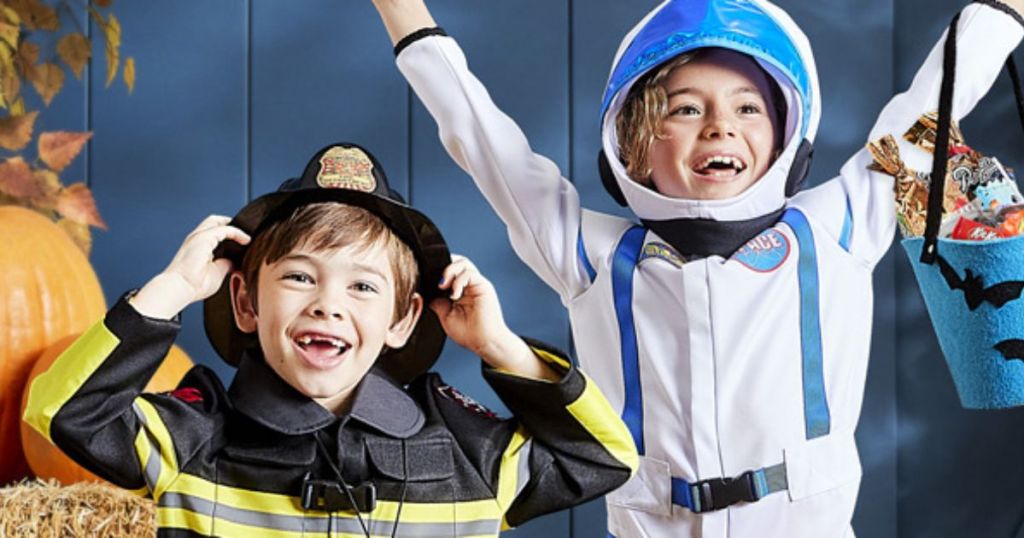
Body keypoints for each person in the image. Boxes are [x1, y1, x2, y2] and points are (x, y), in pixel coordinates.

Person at [370, 0, 1024, 535]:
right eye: (685, 108)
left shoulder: (836, 229)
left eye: (748, 107)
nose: (720, 127)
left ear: (786, 136)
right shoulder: (585, 251)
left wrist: (1002, 11)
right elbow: (480, 137)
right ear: (630, 139)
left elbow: (931, 105)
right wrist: (401, 11)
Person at [22, 143, 638, 537]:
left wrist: (499, 345)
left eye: (363, 288)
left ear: (404, 321)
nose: (327, 304)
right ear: (245, 302)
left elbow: (606, 458)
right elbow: (60, 411)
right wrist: (174, 287)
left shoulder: (467, 453)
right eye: (298, 277)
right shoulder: (193, 440)